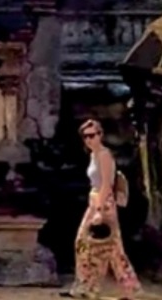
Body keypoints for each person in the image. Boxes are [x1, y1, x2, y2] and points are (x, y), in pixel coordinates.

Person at [67, 118, 140, 299]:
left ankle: (89, 286)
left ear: (100, 135)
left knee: (90, 244)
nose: (88, 139)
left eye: (92, 135)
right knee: (109, 248)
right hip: (95, 200)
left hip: (103, 202)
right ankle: (91, 286)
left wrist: (99, 210)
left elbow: (107, 184)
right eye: (85, 136)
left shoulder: (104, 155)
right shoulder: (94, 155)